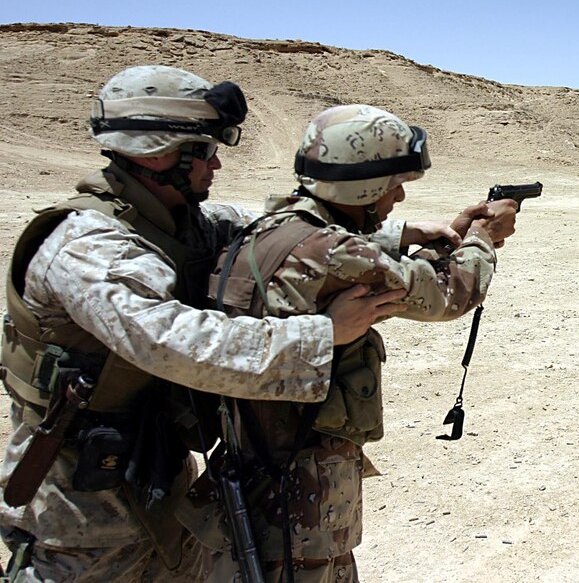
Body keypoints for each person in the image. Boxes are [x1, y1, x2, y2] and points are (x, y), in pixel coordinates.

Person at [0, 66, 395, 582]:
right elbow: (174, 344)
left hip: (153, 469)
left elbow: (276, 237)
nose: (218, 164)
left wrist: (402, 233)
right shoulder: (89, 246)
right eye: (206, 151)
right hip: (78, 499)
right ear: (160, 153)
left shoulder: (180, 222)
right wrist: (323, 334)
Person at [178, 104, 517, 582]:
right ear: (361, 188)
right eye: (391, 185)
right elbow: (450, 295)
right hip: (302, 487)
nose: (398, 196)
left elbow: (353, 259)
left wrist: (446, 233)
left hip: (250, 464)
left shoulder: (271, 230)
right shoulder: (336, 253)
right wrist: (481, 238)